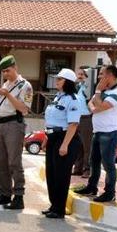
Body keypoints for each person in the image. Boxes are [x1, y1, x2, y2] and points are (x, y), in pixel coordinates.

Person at [73, 64, 117, 203]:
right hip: (98, 131)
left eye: (102, 74)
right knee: (93, 161)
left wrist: (97, 94)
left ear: (110, 76)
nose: (99, 77)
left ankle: (110, 193)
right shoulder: (104, 91)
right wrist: (96, 105)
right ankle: (91, 187)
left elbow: (100, 106)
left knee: (108, 164)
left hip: (111, 133)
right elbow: (91, 105)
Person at [0, 55, 33, 210]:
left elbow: (24, 109)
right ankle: (4, 193)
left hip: (14, 124)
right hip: (0, 125)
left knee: (14, 161)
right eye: (3, 72)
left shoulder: (24, 86)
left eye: (8, 70)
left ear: (15, 68)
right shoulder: (6, 84)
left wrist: (7, 94)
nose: (5, 74)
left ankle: (19, 196)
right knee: (0, 161)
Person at [43, 69, 82, 218]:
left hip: (65, 138)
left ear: (68, 82)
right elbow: (52, 121)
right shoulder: (58, 97)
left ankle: (59, 209)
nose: (56, 81)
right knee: (51, 173)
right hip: (53, 138)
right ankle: (54, 205)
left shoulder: (73, 99)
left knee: (61, 175)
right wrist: (47, 138)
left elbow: (73, 124)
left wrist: (65, 145)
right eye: (57, 79)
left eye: (60, 79)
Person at [72, 67, 93, 178]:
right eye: (78, 74)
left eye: (82, 74)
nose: (79, 76)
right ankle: (78, 168)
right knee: (78, 145)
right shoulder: (77, 87)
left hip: (86, 119)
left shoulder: (89, 88)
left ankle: (87, 169)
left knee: (86, 146)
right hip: (77, 119)